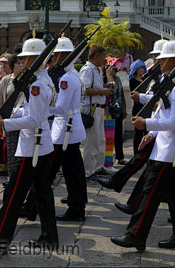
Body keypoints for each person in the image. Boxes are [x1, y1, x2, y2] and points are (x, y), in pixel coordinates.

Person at [0, 37, 58, 251]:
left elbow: (34, 120)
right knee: (43, 194)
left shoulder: (37, 86)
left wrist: (6, 122)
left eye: (25, 59)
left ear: (33, 58)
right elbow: (34, 113)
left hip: (32, 147)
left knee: (13, 195)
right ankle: (49, 236)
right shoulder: (43, 79)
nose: (22, 62)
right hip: (41, 145)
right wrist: (12, 112)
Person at [111, 40, 175, 252]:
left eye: (162, 58)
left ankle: (135, 235)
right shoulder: (171, 82)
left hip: (169, 152)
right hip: (166, 148)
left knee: (149, 195)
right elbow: (162, 112)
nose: (158, 61)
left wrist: (146, 123)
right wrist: (152, 132)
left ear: (173, 60)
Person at [47, 37, 88, 221]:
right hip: (69, 127)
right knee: (74, 170)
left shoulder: (65, 78)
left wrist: (42, 107)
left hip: (64, 129)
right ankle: (76, 206)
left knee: (50, 170)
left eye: (56, 54)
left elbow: (61, 108)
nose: (53, 57)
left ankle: (34, 205)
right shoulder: (71, 75)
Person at [80, 45, 113, 178]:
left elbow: (96, 87)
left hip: (99, 107)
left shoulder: (97, 70)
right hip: (91, 109)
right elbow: (85, 90)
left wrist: (105, 87)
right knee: (91, 142)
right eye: (103, 55)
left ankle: (98, 167)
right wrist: (102, 91)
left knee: (100, 140)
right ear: (97, 55)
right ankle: (88, 171)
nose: (104, 59)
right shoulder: (87, 70)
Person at [107, 66, 127, 166]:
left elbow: (121, 94)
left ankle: (120, 157)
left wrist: (124, 108)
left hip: (118, 108)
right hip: (108, 110)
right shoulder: (105, 78)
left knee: (118, 134)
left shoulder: (118, 79)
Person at [128, 60, 147, 153]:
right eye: (140, 69)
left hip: (146, 107)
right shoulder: (132, 81)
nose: (142, 71)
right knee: (138, 132)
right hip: (138, 107)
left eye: (143, 68)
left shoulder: (145, 80)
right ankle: (136, 152)